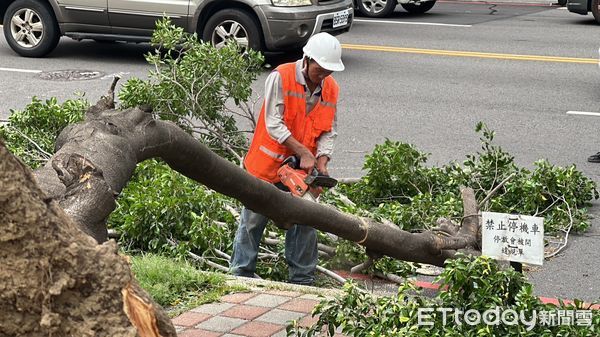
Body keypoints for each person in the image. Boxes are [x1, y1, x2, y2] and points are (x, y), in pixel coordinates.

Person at [229, 32, 344, 285]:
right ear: (307, 59)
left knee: (305, 219)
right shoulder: (281, 77)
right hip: (267, 165)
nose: (323, 75)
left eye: (328, 71)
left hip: (301, 170)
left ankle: (302, 279)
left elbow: (329, 129)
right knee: (253, 220)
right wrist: (303, 152)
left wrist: (322, 161)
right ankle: (240, 275)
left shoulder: (332, 88)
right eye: (320, 69)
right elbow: (273, 123)